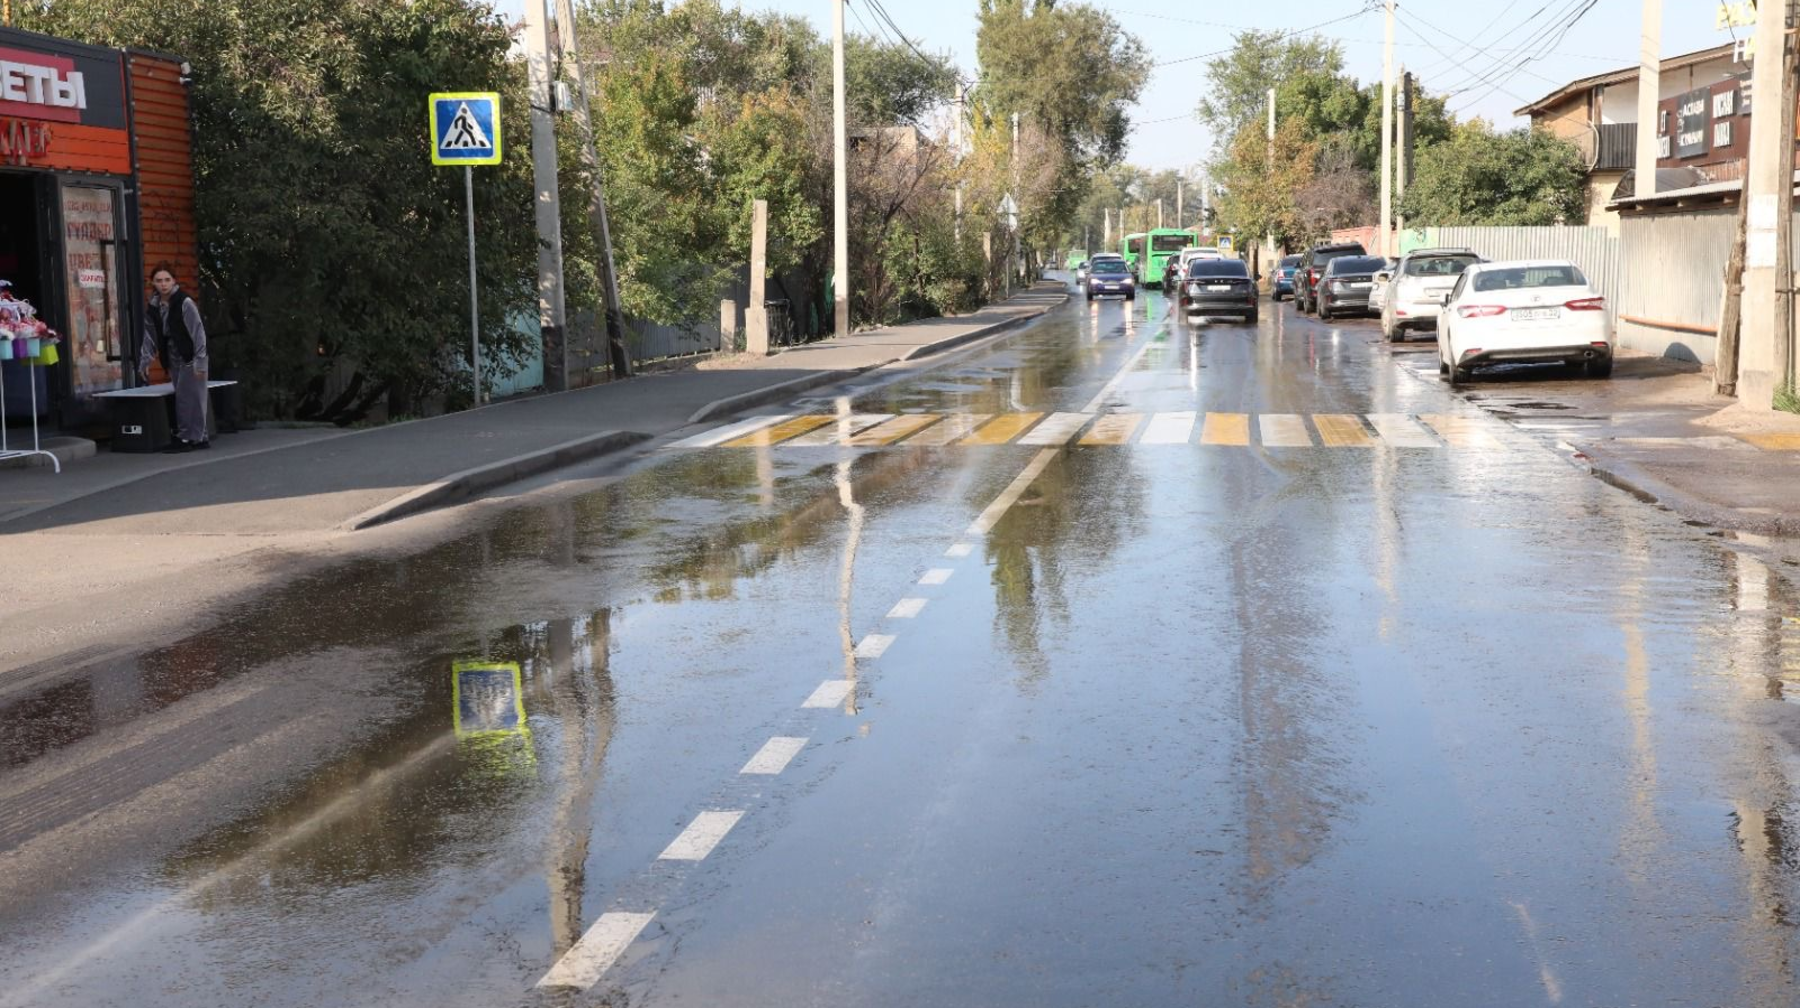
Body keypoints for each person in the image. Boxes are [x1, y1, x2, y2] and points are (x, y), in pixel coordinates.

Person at [138, 264, 209, 451]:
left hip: (190, 355)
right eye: (159, 281)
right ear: (153, 283)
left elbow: (198, 332)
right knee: (186, 395)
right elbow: (150, 335)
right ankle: (199, 437)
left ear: (174, 281)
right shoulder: (154, 306)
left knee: (189, 397)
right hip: (172, 355)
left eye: (167, 280)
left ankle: (187, 438)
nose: (163, 284)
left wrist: (200, 363)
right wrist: (145, 361)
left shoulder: (184, 302)